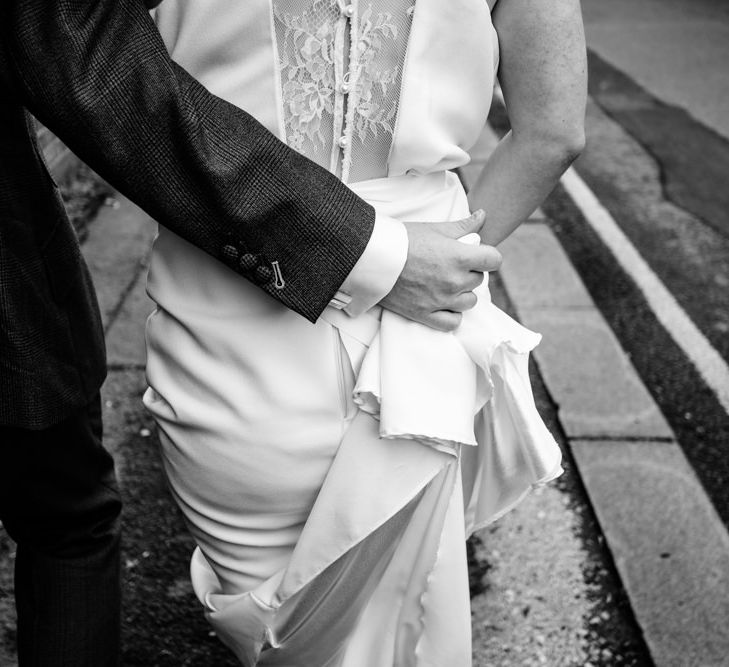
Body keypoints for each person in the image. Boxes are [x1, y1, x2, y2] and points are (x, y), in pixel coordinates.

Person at [0, 0, 502, 664]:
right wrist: (436, 261)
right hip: (392, 320)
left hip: (236, 342)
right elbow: (554, 130)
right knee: (68, 524)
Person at [143, 0, 587, 664]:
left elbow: (107, 81)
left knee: (281, 633)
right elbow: (552, 131)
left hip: (226, 311)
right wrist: (453, 262)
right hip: (418, 330)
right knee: (409, 616)